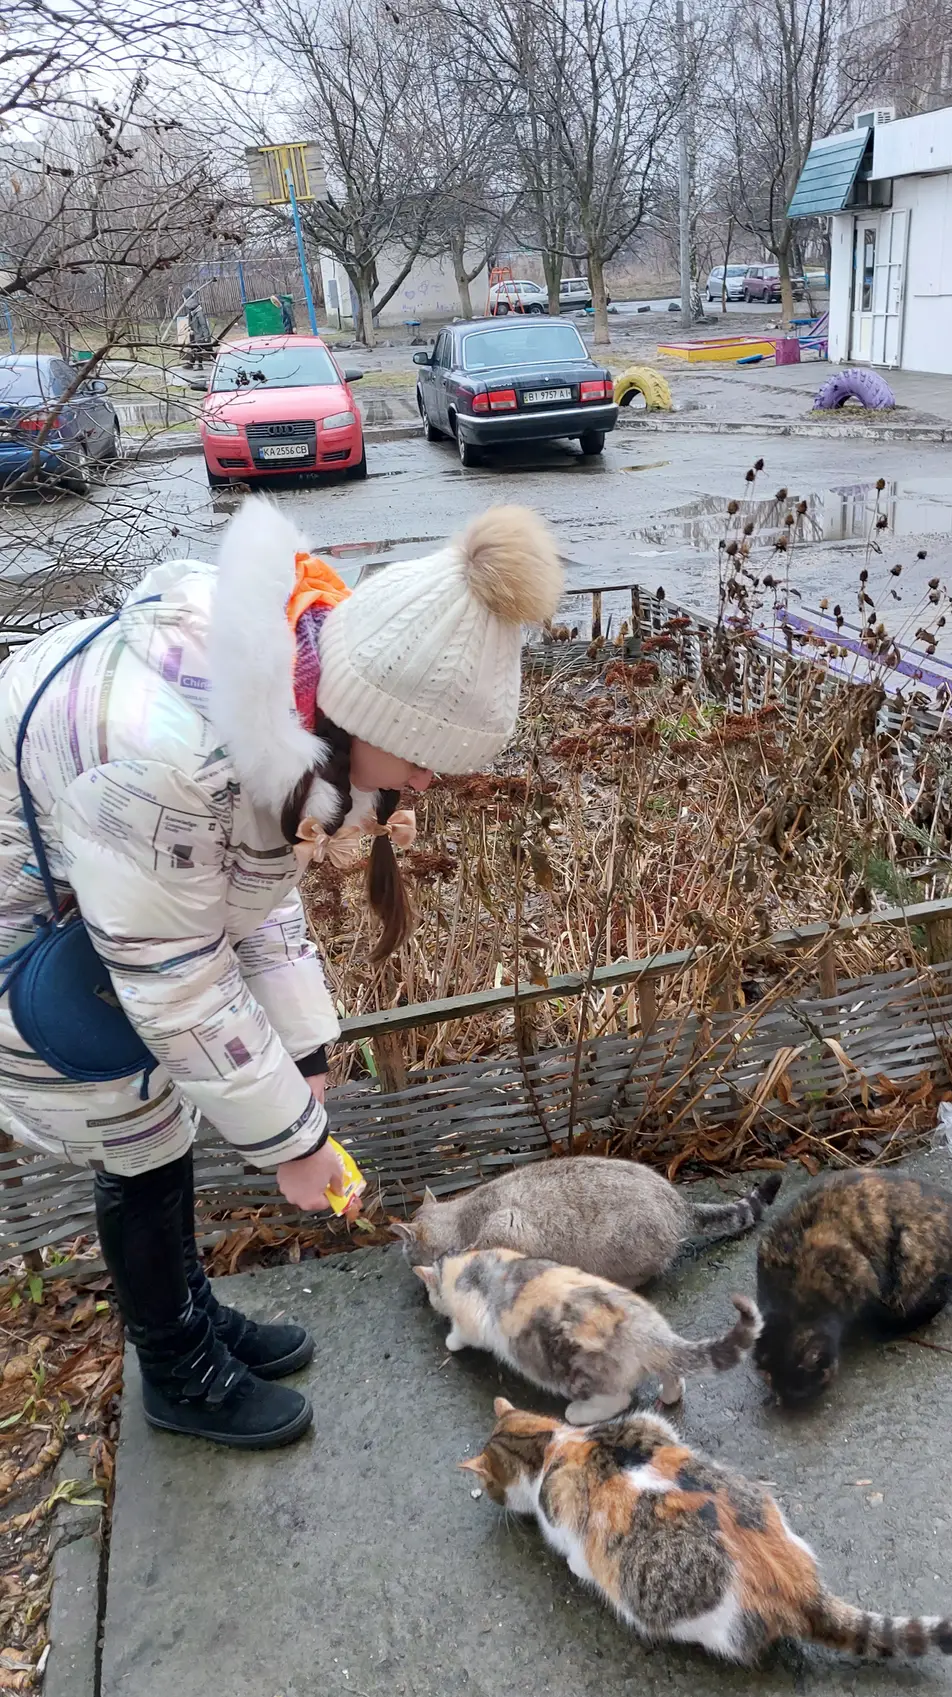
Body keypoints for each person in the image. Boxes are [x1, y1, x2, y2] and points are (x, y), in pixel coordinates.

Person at [0, 498, 562, 1449]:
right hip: (30, 936)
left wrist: (303, 1051)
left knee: (162, 1128)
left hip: (112, 906)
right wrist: (294, 1145)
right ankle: (176, 1369)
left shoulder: (285, 701)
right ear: (368, 714)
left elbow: (245, 891)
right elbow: (177, 976)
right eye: (424, 759)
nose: (426, 784)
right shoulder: (173, 763)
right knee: (134, 1132)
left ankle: (189, 1315)